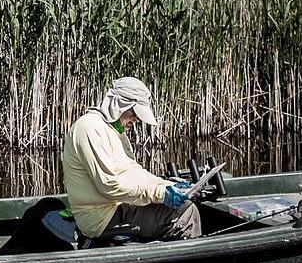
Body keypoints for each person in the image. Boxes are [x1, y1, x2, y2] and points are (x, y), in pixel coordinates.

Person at [61, 76, 201, 242]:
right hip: (102, 218)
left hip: (118, 207)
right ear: (120, 104)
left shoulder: (115, 131)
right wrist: (161, 194)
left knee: (179, 204)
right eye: (135, 112)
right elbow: (109, 185)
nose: (137, 119)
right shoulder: (89, 128)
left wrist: (168, 185)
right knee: (187, 211)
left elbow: (134, 172)